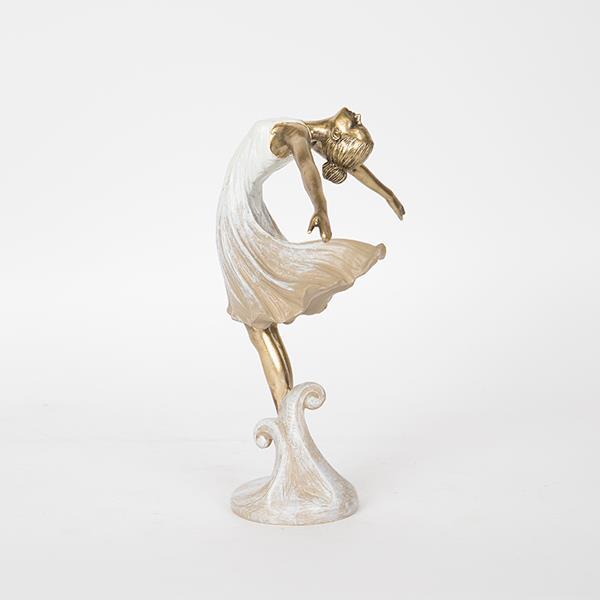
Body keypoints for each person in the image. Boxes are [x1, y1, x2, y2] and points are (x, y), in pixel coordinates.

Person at [216, 108, 404, 409]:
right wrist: (387, 193)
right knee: (259, 323)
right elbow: (353, 168)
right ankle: (286, 410)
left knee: (259, 324)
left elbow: (307, 168)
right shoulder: (310, 135)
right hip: (246, 210)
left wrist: (320, 207)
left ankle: (286, 411)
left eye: (355, 124)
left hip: (240, 217)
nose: (357, 115)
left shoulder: (296, 135)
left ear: (338, 135)